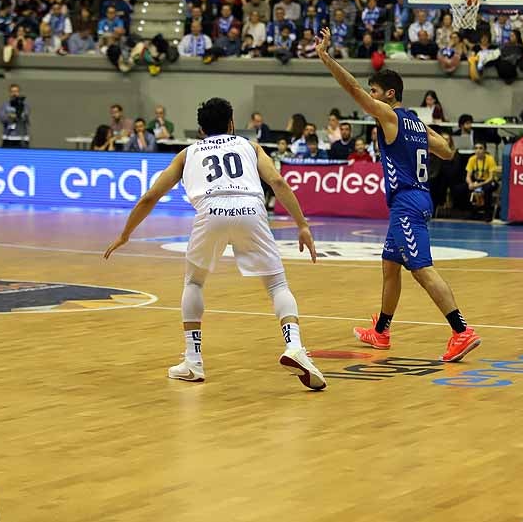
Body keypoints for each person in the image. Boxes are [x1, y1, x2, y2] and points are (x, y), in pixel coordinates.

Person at [103, 97, 326, 390]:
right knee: (276, 285)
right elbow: (278, 183)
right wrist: (302, 225)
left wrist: (125, 234)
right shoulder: (250, 146)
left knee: (194, 283)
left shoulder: (187, 153)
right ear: (232, 124)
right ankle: (294, 346)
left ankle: (193, 361)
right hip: (251, 209)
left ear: (200, 130)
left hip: (210, 211)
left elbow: (150, 197)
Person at [315, 28, 481, 362]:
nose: (371, 97)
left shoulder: (389, 117)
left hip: (407, 201)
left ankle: (461, 330)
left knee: (421, 269)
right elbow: (448, 152)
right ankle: (382, 330)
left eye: (375, 92)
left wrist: (326, 57)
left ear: (390, 94)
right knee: (390, 265)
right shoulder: (417, 124)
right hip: (416, 198)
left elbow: (352, 89)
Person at [0, 83, 31, 148]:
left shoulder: (25, 106)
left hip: (22, 138)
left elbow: (24, 116)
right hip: (8, 137)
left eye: (16, 91)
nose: (14, 94)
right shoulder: (5, 106)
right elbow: (2, 119)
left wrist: (14, 115)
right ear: (9, 93)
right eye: (12, 91)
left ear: (19, 93)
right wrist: (9, 117)